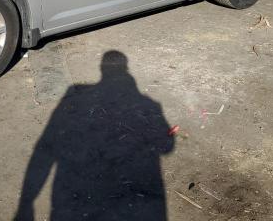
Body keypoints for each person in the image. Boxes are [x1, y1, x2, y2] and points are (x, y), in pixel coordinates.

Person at [15, 50, 174, 220]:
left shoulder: (74, 100)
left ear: (101, 69)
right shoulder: (149, 106)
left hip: (75, 196)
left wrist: (27, 203)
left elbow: (45, 148)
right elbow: (166, 146)